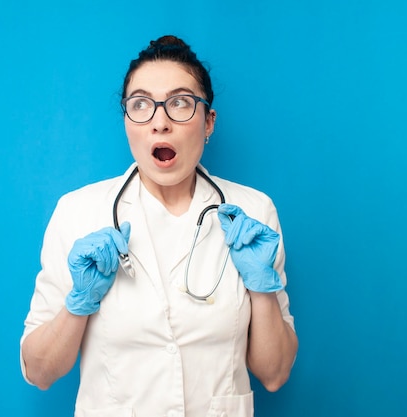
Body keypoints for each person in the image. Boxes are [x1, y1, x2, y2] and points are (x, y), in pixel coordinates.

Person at [20, 35, 298, 417]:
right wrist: (78, 305)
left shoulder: (252, 211)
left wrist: (263, 289)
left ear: (208, 122)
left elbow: (275, 373)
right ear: (126, 122)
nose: (160, 123)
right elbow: (38, 371)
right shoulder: (77, 212)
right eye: (141, 105)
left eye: (180, 103)